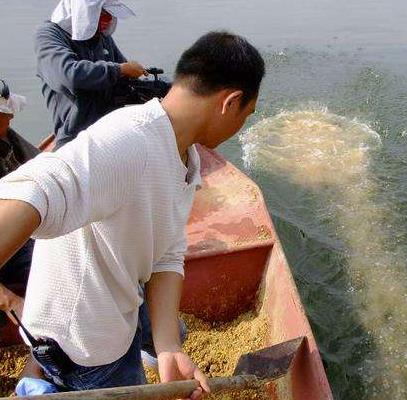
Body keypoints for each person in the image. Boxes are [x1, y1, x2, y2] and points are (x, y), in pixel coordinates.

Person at [0, 31, 264, 397]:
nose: (241, 127)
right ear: (230, 102)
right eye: (246, 115)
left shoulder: (183, 156)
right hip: (87, 348)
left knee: (151, 334)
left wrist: (169, 346)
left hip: (113, 312)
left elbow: (168, 253)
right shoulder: (128, 140)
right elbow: (39, 188)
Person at [35, 0, 148, 149]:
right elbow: (70, 75)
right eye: (102, 13)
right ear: (83, 11)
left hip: (108, 131)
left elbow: (123, 76)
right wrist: (119, 70)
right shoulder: (49, 35)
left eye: (109, 14)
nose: (107, 20)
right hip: (74, 138)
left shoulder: (102, 37)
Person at [0, 79, 38, 327]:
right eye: (6, 114)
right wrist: (10, 300)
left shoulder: (9, 140)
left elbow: (41, 168)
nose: (11, 117)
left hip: (15, 237)